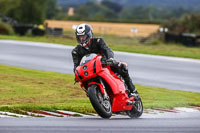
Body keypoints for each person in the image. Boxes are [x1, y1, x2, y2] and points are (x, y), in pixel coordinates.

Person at [71, 24, 138, 97]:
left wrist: (110, 58)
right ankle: (95, 95)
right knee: (83, 83)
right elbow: (76, 65)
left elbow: (107, 50)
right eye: (80, 37)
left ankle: (132, 90)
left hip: (104, 63)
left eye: (83, 36)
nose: (82, 39)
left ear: (89, 35)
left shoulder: (98, 41)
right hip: (90, 70)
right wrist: (76, 74)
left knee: (122, 67)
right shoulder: (76, 51)